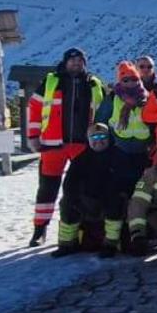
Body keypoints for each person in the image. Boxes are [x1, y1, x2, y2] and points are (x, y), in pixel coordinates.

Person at [23, 47, 107, 247]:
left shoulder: (94, 84)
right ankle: (39, 230)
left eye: (80, 60)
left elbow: (103, 114)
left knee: (79, 190)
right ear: (65, 62)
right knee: (47, 189)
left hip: (82, 146)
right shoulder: (51, 81)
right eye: (73, 60)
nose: (76, 63)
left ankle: (77, 229)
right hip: (53, 145)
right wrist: (33, 136)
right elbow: (33, 109)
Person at [92, 62, 154, 254]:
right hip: (119, 154)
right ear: (120, 80)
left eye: (134, 79)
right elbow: (100, 123)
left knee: (140, 199)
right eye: (126, 79)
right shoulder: (112, 98)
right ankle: (111, 241)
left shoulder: (148, 98)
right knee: (115, 197)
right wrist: (104, 148)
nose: (130, 82)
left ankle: (135, 238)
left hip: (143, 156)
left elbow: (155, 123)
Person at [53, 123, 117, 256]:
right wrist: (76, 198)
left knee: (116, 203)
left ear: (109, 138)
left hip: (109, 201)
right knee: (66, 203)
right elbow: (69, 184)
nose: (98, 141)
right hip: (86, 203)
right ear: (89, 140)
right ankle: (67, 244)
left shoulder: (118, 156)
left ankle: (110, 244)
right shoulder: (80, 159)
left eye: (102, 137)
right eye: (94, 137)